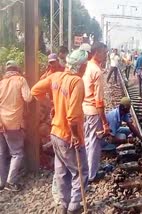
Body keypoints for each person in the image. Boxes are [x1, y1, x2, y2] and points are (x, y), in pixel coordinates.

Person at [31, 49, 89, 213]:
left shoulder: (56, 76)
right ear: (81, 66)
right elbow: (73, 116)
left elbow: (35, 90)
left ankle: (63, 205)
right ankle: (74, 206)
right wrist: (76, 136)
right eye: (85, 64)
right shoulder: (76, 82)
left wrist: (52, 105)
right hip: (68, 135)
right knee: (80, 171)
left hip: (55, 132)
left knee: (62, 171)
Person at [0, 60, 32, 192]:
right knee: (17, 153)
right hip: (13, 122)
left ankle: (1, 182)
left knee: (1, 153)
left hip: (0, 122)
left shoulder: (1, 83)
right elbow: (28, 98)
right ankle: (11, 182)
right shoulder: (20, 80)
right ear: (17, 69)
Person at [82, 42, 110, 182]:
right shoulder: (97, 72)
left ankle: (86, 171)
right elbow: (99, 101)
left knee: (87, 141)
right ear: (97, 52)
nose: (106, 56)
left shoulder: (86, 66)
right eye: (104, 53)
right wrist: (104, 122)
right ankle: (91, 175)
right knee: (94, 143)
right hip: (93, 111)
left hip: (84, 109)